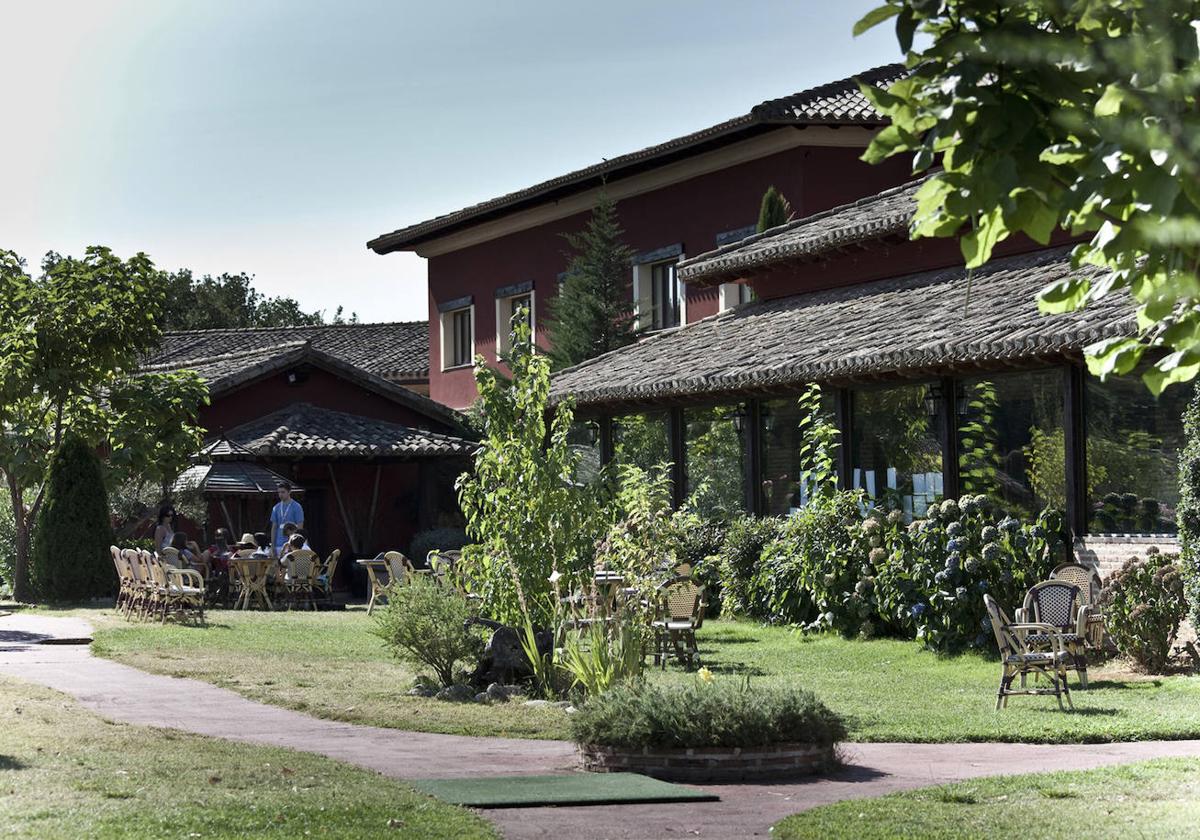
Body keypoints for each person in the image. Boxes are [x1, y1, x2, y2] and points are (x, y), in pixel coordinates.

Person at [269, 482, 304, 558]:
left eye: (283, 492)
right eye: (279, 492)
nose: (280, 495)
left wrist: (296, 545)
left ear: (289, 492)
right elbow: (274, 528)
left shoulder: (297, 507)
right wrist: (272, 545)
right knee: (278, 568)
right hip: (278, 545)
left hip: (292, 545)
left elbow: (300, 527)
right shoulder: (276, 508)